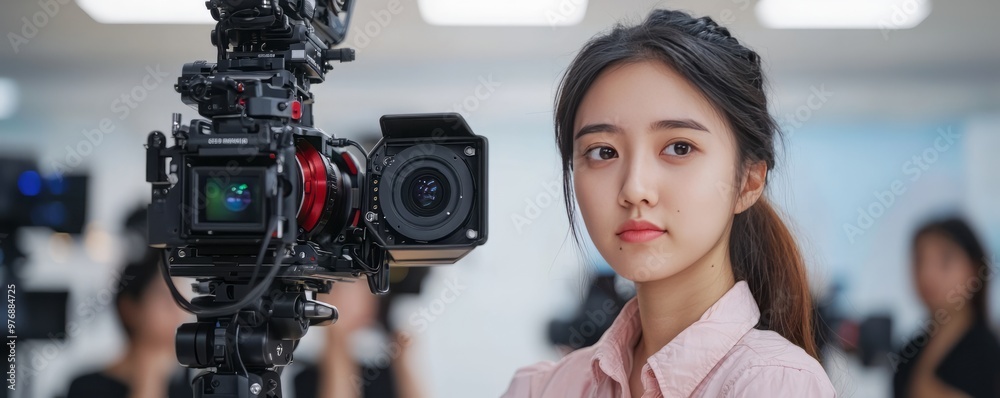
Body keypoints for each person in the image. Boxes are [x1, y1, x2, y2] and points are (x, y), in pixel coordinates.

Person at [502, 9, 835, 397]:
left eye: (679, 147)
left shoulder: (774, 383)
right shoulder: (543, 389)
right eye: (603, 152)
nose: (635, 188)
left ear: (748, 181)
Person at [66, 209, 192, 398]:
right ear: (130, 308)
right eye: (166, 299)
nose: (178, 310)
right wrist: (149, 376)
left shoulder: (189, 388)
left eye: (181, 299)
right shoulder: (86, 388)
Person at [892, 217, 1000, 398]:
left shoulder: (987, 350)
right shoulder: (908, 351)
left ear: (974, 268)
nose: (928, 274)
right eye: (920, 260)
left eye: (945, 260)